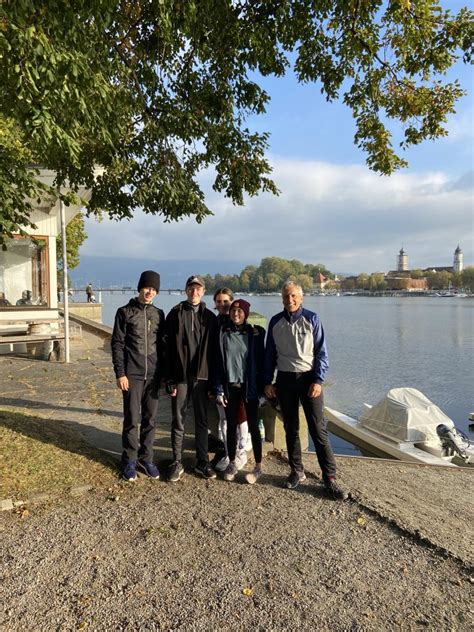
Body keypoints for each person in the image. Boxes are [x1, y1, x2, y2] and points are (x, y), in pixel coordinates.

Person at [264, 282, 347, 500]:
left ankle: (330, 478)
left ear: (301, 298)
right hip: (285, 379)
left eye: (293, 296)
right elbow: (269, 356)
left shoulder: (312, 319)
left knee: (318, 430)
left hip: (309, 378)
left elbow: (322, 353)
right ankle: (296, 471)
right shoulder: (275, 322)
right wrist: (268, 382)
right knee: (291, 428)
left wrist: (318, 380)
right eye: (285, 296)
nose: (289, 300)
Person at [111, 270, 165, 482]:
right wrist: (120, 373)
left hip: (153, 375)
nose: (149, 292)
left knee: (150, 420)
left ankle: (146, 458)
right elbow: (117, 344)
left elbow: (163, 346)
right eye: (147, 287)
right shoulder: (124, 312)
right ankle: (129, 460)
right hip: (131, 374)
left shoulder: (159, 314)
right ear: (140, 288)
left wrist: (163, 375)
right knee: (132, 419)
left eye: (153, 289)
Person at [164, 275, 217, 481]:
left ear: (203, 292)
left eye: (198, 289)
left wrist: (213, 382)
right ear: (186, 290)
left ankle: (202, 461)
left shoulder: (210, 318)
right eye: (191, 288)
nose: (194, 292)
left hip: (202, 378)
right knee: (178, 419)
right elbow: (166, 348)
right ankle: (177, 461)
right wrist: (168, 378)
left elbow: (214, 353)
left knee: (202, 420)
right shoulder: (175, 314)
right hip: (180, 376)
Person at [214, 299, 266, 484]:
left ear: (246, 313)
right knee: (230, 424)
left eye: (240, 311)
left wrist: (262, 391)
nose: (236, 314)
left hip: (249, 387)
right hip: (230, 387)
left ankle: (258, 466)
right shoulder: (223, 333)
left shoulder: (255, 334)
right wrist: (218, 388)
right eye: (233, 310)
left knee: (252, 425)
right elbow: (218, 363)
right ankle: (232, 462)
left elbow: (261, 362)